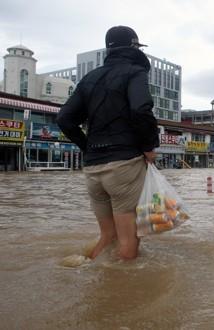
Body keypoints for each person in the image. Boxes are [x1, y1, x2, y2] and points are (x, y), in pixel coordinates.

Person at [57, 26, 159, 260]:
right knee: (129, 238)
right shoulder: (135, 72)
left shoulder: (90, 78)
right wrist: (148, 147)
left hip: (93, 169)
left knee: (108, 235)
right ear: (134, 46)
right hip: (124, 166)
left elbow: (64, 119)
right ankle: (123, 291)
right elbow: (141, 109)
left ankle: (87, 270)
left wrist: (87, 147)